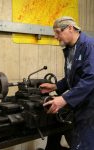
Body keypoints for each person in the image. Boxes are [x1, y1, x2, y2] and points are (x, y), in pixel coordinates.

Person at [40, 16, 94, 150]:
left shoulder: (89, 46)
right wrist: (57, 86)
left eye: (58, 32)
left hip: (90, 107)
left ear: (70, 28)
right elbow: (73, 76)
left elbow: (90, 78)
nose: (56, 36)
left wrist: (64, 99)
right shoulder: (70, 49)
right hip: (80, 106)